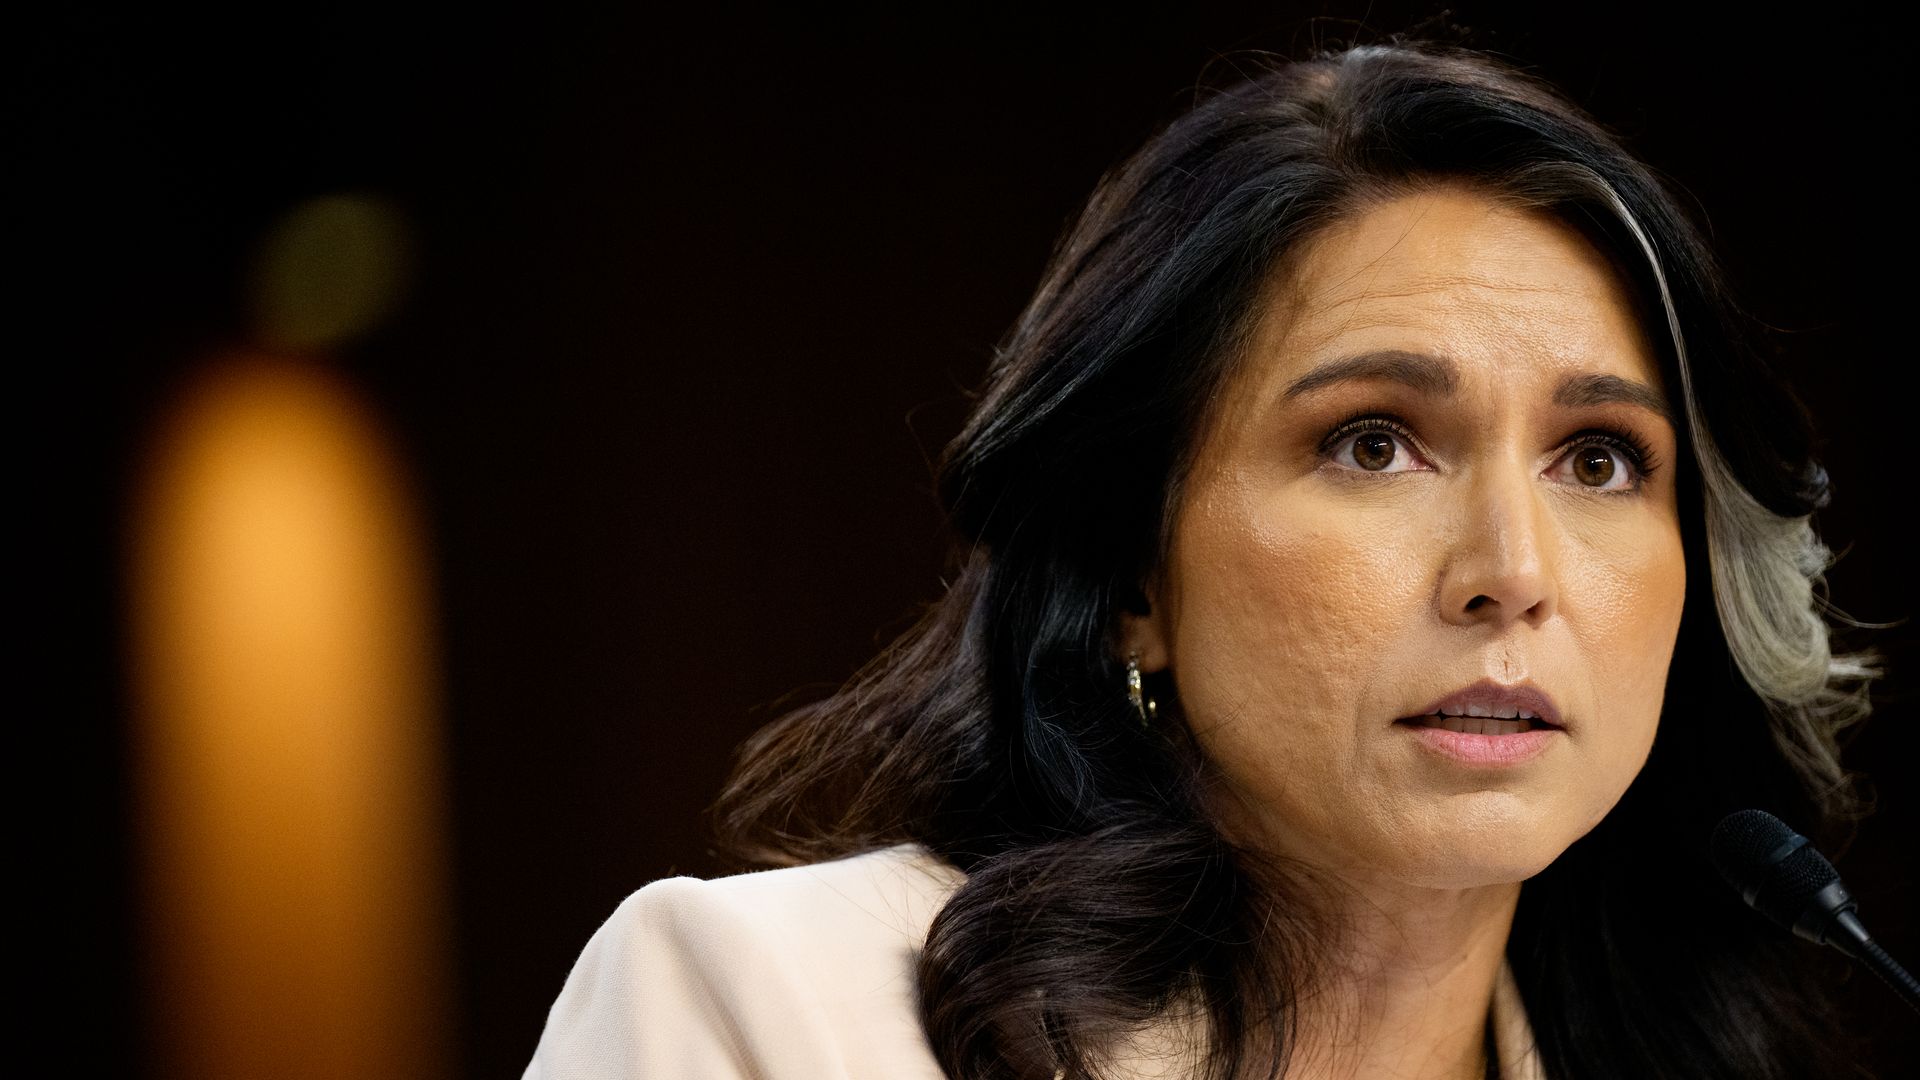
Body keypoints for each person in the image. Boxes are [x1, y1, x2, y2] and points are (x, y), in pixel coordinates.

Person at [522, 39, 1881, 1079]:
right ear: (1132, 574)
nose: (1512, 571)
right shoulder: (767, 1014)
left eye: (1599, 461)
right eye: (1372, 444)